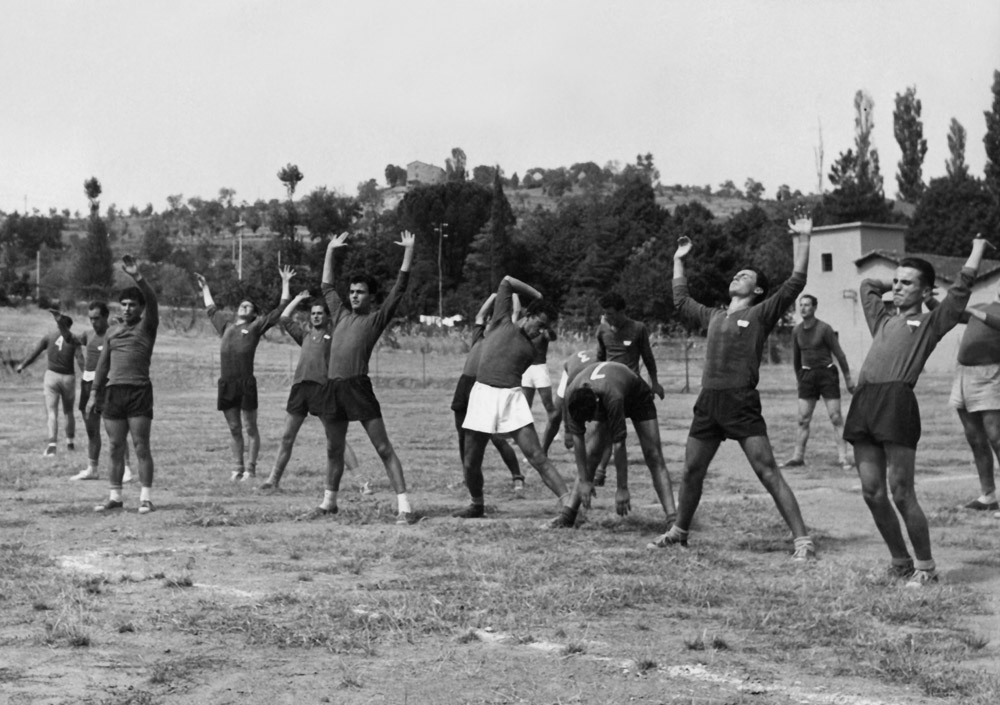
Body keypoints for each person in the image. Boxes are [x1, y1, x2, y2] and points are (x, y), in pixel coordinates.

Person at [649, 212, 816, 560]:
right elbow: (680, 300)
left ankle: (802, 540)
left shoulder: (761, 313)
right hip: (708, 401)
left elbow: (796, 282)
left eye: (746, 275)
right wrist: (678, 261)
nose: (737, 275)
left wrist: (803, 238)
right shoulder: (713, 316)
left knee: (767, 471)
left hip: (741, 401)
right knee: (692, 470)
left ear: (756, 290)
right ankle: (679, 531)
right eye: (736, 273)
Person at [844, 237, 990, 586]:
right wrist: (891, 284)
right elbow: (867, 285)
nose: (897, 287)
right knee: (871, 492)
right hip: (864, 400)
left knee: (901, 491)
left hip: (896, 401)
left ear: (925, 292)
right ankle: (900, 562)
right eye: (895, 281)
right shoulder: (881, 320)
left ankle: (926, 568)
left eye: (906, 283)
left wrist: (977, 250)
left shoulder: (931, 323)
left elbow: (959, 292)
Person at [302, 231, 419, 524]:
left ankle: (405, 507)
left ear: (371, 297)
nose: (354, 295)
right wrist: (329, 249)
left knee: (382, 448)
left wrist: (408, 252)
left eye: (360, 291)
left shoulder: (375, 319)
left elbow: (400, 289)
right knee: (334, 448)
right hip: (334, 388)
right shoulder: (339, 314)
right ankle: (329, 503)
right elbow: (326, 284)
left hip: (358, 387)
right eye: (352, 291)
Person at [454, 275, 570, 518]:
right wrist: (537, 295)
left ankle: (569, 503)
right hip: (483, 395)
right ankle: (477, 504)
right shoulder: (501, 322)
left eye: (543, 328)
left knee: (537, 456)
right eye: (538, 324)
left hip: (511, 398)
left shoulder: (533, 346)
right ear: (527, 315)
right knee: (470, 462)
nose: (539, 331)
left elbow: (543, 335)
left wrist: (543, 320)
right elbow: (506, 281)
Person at [548, 360, 677, 529]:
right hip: (605, 390)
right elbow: (578, 440)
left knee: (653, 454)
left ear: (596, 405)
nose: (588, 422)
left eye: (590, 418)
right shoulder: (572, 394)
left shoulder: (612, 398)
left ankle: (673, 519)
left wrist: (622, 488)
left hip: (635, 395)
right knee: (592, 453)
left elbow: (619, 445)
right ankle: (568, 515)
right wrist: (585, 481)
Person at [196, 267, 293, 481]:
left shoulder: (256, 326)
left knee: (250, 427)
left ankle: (251, 468)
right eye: (242, 304)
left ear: (254, 313)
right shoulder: (226, 327)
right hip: (226, 384)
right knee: (234, 427)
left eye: (248, 305)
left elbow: (280, 309)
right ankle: (237, 467)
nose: (244, 305)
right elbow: (211, 309)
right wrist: (205, 288)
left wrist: (285, 282)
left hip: (245, 383)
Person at [258, 291, 359, 490]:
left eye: (320, 313)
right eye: (313, 313)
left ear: (327, 316)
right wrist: (296, 300)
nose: (316, 316)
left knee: (335, 438)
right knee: (287, 437)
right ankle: (272, 480)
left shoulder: (334, 337)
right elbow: (284, 318)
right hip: (300, 389)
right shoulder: (304, 335)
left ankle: (361, 481)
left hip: (323, 390)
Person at [88, 255, 159, 514]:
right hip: (114, 392)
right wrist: (94, 393)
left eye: (132, 305)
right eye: (124, 304)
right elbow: (103, 366)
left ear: (140, 309)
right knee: (116, 446)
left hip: (139, 391)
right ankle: (115, 497)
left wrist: (137, 276)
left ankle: (145, 498)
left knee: (141, 446)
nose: (127, 309)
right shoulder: (112, 332)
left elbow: (152, 300)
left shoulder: (147, 327)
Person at [585, 291, 666, 485]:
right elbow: (600, 360)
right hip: (609, 390)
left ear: (622, 311)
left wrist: (654, 383)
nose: (607, 317)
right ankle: (599, 472)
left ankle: (605, 472)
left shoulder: (638, 329)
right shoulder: (602, 331)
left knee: (645, 441)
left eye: (611, 313)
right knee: (604, 433)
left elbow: (648, 357)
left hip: (633, 390)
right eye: (605, 314)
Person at [451, 293, 525, 492]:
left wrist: (513, 295)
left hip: (483, 385)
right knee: (462, 436)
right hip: (464, 385)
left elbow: (516, 313)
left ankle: (517, 475)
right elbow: (480, 315)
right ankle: (468, 476)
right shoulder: (480, 335)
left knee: (496, 437)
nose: (492, 321)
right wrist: (494, 296)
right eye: (491, 319)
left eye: (497, 319)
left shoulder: (505, 338)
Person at [781, 294, 856, 471]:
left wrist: (848, 379)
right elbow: (796, 359)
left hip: (827, 375)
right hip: (807, 376)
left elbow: (840, 355)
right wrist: (800, 378)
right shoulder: (797, 331)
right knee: (802, 419)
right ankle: (797, 457)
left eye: (807, 305)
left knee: (836, 417)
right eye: (801, 305)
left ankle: (843, 457)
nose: (804, 308)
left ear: (814, 307)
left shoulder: (824, 329)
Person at [67, 302, 133, 482]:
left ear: (105, 317)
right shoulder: (88, 335)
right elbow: (71, 341)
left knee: (115, 431)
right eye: (91, 318)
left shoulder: (114, 334)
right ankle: (92, 468)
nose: (93, 322)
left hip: (107, 385)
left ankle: (127, 468)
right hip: (88, 384)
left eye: (96, 318)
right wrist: (61, 324)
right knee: (91, 430)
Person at [950, 285, 1000, 512]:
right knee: (975, 438)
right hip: (964, 375)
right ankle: (988, 495)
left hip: (990, 375)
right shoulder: (980, 307)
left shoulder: (981, 311)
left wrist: (973, 311)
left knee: (996, 436)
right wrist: (930, 300)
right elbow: (952, 315)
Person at [16, 309, 84, 456]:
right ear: (69, 327)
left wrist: (22, 365)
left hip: (52, 376)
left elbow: (35, 353)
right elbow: (79, 359)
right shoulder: (73, 339)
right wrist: (86, 374)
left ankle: (52, 445)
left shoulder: (49, 336)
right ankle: (70, 443)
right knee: (69, 411)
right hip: (68, 377)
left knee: (52, 411)